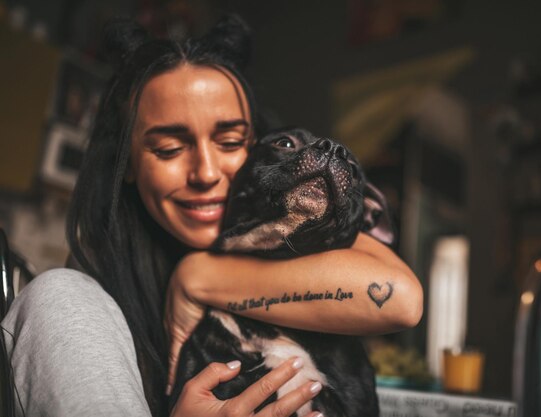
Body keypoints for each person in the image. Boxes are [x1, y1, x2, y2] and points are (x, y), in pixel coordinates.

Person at [1, 15, 422, 417]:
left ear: (256, 147)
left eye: (230, 141)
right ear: (126, 163)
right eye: (168, 149)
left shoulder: (301, 223)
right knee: (57, 292)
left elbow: (398, 298)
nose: (205, 173)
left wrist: (198, 277)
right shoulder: (84, 299)